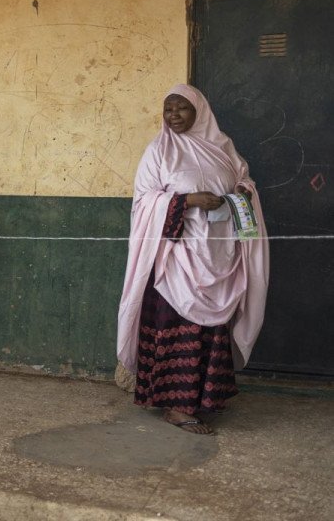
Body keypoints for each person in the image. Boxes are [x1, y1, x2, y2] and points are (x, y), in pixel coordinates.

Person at [117, 84, 269, 435]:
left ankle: (203, 399)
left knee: (211, 332)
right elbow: (145, 201)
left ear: (199, 111)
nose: (173, 115)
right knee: (177, 328)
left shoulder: (223, 146)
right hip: (176, 262)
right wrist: (188, 201)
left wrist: (241, 192)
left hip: (218, 254)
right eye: (168, 108)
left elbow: (244, 180)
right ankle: (176, 407)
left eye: (182, 108)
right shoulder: (159, 151)